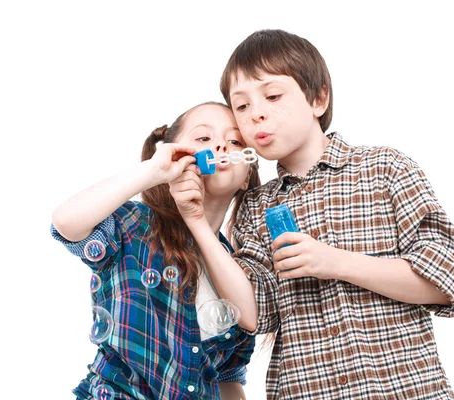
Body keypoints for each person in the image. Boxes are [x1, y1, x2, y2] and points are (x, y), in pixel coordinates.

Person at [170, 29, 454, 399]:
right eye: (241, 106)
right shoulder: (255, 206)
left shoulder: (385, 168)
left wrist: (334, 262)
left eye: (272, 95)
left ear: (318, 99)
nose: (256, 113)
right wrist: (198, 225)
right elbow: (255, 314)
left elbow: (446, 275)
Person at [50, 102, 260, 399]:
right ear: (174, 155)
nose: (221, 145)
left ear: (248, 174)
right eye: (203, 138)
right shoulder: (136, 226)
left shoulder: (239, 274)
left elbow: (227, 378)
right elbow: (66, 222)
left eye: (235, 141)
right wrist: (154, 171)